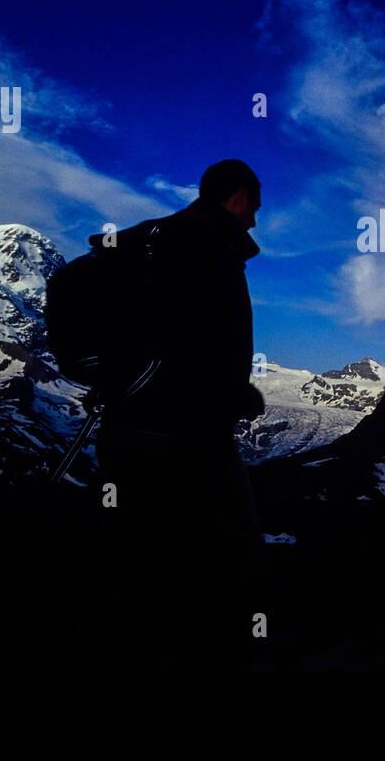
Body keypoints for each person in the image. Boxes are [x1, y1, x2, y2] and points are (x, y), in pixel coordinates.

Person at [91, 159, 266, 671]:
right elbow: (205, 340)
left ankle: (133, 645)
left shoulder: (149, 241)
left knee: (138, 544)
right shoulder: (209, 249)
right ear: (236, 198)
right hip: (188, 434)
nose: (255, 218)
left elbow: (163, 334)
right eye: (254, 204)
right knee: (226, 547)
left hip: (125, 424)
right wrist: (233, 392)